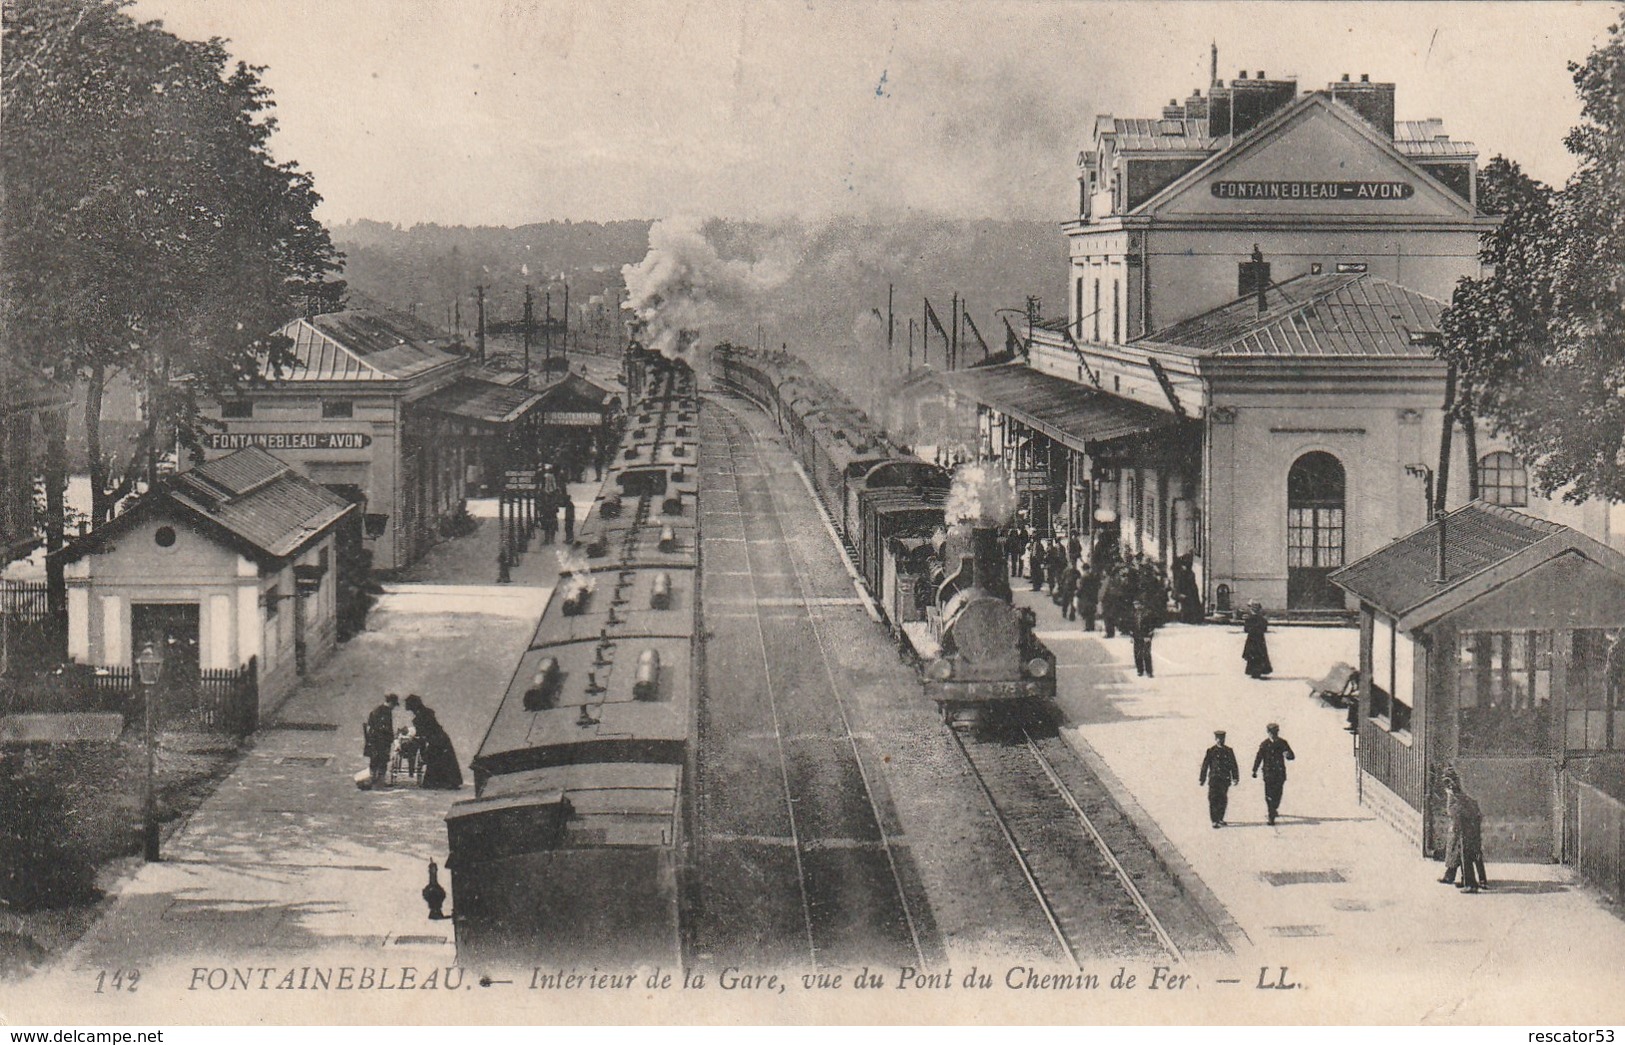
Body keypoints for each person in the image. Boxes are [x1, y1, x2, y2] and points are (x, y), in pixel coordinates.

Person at [1440, 772, 1489, 891]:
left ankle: (1471, 884)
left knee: (1467, 855)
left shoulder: (1458, 797)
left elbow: (1456, 812)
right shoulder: (1461, 796)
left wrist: (1456, 827)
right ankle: (1476, 881)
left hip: (1466, 829)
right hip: (1470, 827)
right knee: (1469, 855)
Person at [404, 694, 463, 790]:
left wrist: (414, 742)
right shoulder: (424, 713)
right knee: (440, 760)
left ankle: (448, 783)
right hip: (438, 739)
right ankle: (447, 782)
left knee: (441, 760)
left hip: (438, 740)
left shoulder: (421, 716)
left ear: (412, 705)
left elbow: (424, 733)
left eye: (407, 704)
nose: (406, 706)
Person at [1251, 722, 1296, 825]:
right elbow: (1259, 757)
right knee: (1268, 795)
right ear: (1268, 732)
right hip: (1268, 773)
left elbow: (1292, 756)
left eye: (1275, 732)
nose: (1273, 734)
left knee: (1278, 794)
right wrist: (1254, 770)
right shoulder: (1264, 744)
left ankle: (1274, 808)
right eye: (1271, 732)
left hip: (1279, 773)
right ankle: (1271, 816)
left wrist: (1288, 755)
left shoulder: (1283, 743)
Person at [1199, 730, 1240, 828]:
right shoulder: (1211, 751)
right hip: (1214, 779)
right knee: (1213, 799)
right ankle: (1214, 820)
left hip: (1224, 780)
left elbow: (1234, 765)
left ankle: (1220, 818)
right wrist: (1202, 778)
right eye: (1218, 739)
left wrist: (1235, 777)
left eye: (1222, 739)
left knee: (1222, 799)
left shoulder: (1229, 751)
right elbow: (1205, 765)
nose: (1220, 741)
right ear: (1215, 739)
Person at [362, 694, 400, 788]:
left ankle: (376, 780)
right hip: (379, 740)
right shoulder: (383, 711)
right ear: (391, 703)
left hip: (376, 740)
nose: (394, 707)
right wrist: (391, 737)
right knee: (381, 760)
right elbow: (384, 728)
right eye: (394, 705)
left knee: (376, 760)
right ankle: (378, 781)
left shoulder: (378, 710)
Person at [1242, 600, 1273, 678]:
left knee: (1252, 654)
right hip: (1259, 639)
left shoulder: (1250, 618)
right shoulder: (1262, 619)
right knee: (1260, 654)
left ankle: (1253, 671)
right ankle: (1259, 670)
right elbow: (1264, 628)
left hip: (1252, 639)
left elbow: (1246, 629)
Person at [1130, 598, 1159, 678]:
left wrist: (1149, 636)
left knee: (1146, 654)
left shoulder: (1147, 613)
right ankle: (1140, 670)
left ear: (1141, 604)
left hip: (1145, 636)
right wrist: (1132, 636)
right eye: (1135, 604)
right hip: (1137, 636)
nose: (1136, 606)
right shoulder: (1134, 614)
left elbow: (1152, 625)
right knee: (1137, 654)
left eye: (1137, 604)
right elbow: (1132, 626)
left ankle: (1149, 671)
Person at [1076, 563, 1101, 632]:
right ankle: (1092, 626)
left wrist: (1078, 594)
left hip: (1085, 596)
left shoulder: (1084, 577)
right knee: (1091, 612)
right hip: (1092, 596)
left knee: (1086, 611)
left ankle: (1087, 627)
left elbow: (1081, 587)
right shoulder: (1093, 576)